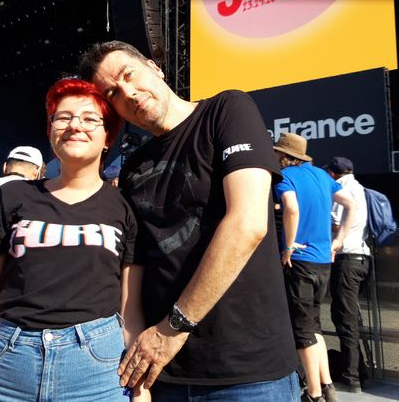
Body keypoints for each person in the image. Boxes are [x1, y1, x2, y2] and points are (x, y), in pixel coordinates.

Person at [80, 41, 300, 401]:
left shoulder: (226, 110)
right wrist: (136, 348)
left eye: (129, 76)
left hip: (246, 373)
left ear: (155, 67)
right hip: (162, 372)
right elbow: (136, 264)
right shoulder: (134, 165)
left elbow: (248, 223)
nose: (129, 94)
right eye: (113, 93)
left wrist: (171, 330)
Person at [0, 78, 146, 401]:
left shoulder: (124, 208)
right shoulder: (12, 196)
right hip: (10, 365)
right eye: (63, 117)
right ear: (50, 132)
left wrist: (140, 390)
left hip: (97, 370)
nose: (75, 125)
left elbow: (130, 311)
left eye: (89, 118)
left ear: (107, 138)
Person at [273, 134, 356, 402]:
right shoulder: (322, 177)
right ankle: (327, 385)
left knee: (303, 330)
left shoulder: (285, 177)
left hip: (300, 261)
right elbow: (350, 204)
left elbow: (291, 209)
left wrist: (288, 245)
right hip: (323, 262)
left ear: (285, 155)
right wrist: (339, 241)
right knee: (315, 326)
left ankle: (314, 394)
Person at [325, 156, 370, 393]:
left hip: (346, 258)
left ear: (333, 173)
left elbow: (335, 223)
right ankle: (358, 370)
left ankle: (352, 377)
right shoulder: (361, 188)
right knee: (350, 317)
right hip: (362, 258)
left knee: (345, 318)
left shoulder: (342, 189)